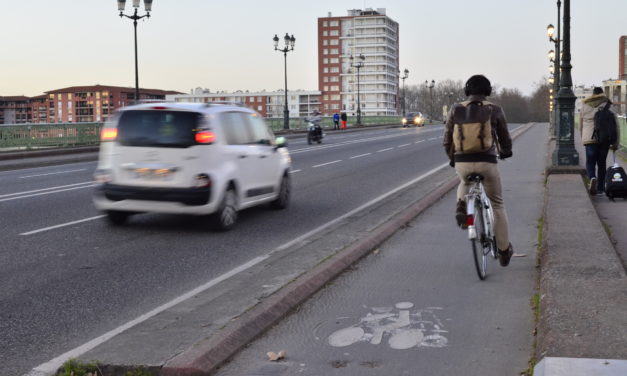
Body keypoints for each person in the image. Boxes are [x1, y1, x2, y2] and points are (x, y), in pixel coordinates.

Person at [443, 74, 514, 267]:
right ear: (488, 91)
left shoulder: (455, 109)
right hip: (487, 162)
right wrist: (507, 152)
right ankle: (504, 250)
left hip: (462, 162)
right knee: (497, 204)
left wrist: (453, 159)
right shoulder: (495, 110)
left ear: (467, 91)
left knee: (465, 182)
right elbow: (505, 138)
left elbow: (447, 140)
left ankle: (461, 206)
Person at [579, 87, 620, 195]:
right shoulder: (609, 105)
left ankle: (592, 177)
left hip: (590, 139)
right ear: (602, 94)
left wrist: (583, 138)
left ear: (592, 95)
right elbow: (616, 125)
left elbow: (581, 125)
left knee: (590, 162)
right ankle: (601, 188)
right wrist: (616, 143)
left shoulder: (585, 105)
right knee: (602, 163)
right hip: (604, 139)